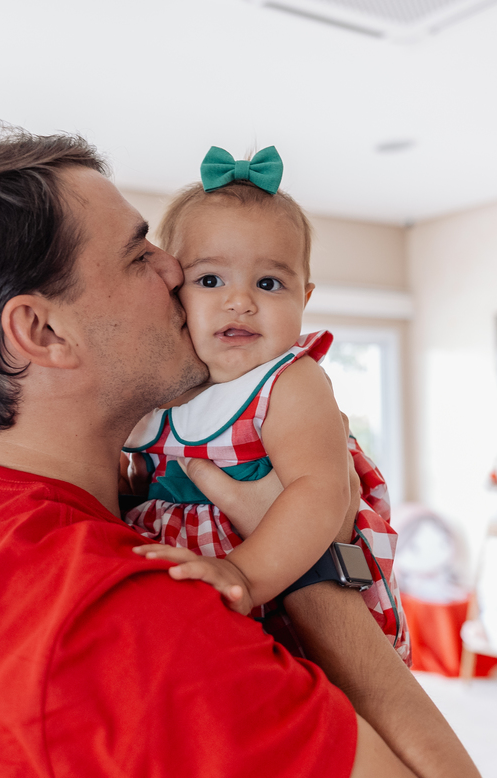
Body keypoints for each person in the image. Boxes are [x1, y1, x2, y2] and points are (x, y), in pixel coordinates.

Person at [0, 126, 491, 778]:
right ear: (43, 332)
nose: (174, 270)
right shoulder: (136, 618)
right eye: (139, 255)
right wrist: (314, 568)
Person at [123, 145, 410, 666]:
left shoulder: (288, 381)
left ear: (304, 298)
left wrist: (245, 573)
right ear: (171, 292)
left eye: (270, 283)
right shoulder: (163, 387)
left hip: (278, 576)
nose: (241, 302)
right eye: (210, 280)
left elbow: (321, 492)